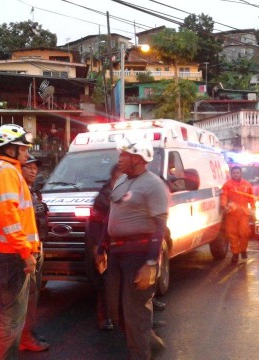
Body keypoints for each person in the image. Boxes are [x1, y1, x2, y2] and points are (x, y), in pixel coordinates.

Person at [96, 136, 169, 360]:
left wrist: (150, 263)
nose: (119, 158)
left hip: (139, 256)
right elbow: (111, 215)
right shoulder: (121, 181)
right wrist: (101, 247)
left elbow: (160, 226)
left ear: (137, 158)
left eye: (123, 154)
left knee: (135, 313)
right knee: (116, 311)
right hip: (116, 254)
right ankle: (149, 343)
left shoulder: (154, 185)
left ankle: (140, 353)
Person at [0, 124, 42, 359]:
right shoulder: (7, 173)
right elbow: (9, 216)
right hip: (11, 254)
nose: (26, 154)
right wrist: (26, 252)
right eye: (23, 149)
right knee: (11, 317)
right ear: (12, 149)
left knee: (5, 314)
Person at [18, 155, 50, 352]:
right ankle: (24, 336)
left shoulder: (33, 192)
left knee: (33, 295)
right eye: (28, 167)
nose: (33, 170)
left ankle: (28, 332)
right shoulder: (19, 191)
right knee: (27, 297)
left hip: (37, 246)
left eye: (34, 167)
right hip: (25, 251)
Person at [87, 164, 121, 331]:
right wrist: (98, 249)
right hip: (106, 248)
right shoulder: (103, 200)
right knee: (105, 284)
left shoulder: (124, 194)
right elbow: (95, 227)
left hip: (120, 247)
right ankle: (105, 317)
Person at [221, 165, 255, 264]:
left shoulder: (247, 184)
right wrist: (224, 205)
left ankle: (243, 250)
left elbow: (251, 197)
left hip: (243, 213)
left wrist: (253, 207)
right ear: (231, 174)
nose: (236, 174)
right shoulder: (227, 185)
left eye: (238, 172)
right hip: (231, 213)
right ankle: (235, 254)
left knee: (244, 233)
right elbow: (224, 196)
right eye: (234, 173)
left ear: (241, 173)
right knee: (232, 235)